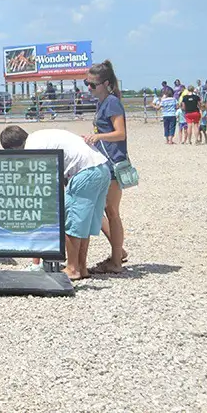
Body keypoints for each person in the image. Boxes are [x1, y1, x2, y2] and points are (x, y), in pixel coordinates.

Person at [0, 126, 111, 281]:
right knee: (83, 224)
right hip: (101, 169)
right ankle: (81, 267)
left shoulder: (32, 148)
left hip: (84, 172)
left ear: (13, 147)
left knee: (72, 223)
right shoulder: (40, 136)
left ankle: (72, 268)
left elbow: (44, 180)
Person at [83, 60, 129, 274]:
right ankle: (118, 251)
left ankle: (117, 260)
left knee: (111, 212)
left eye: (93, 84)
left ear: (106, 83)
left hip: (112, 164)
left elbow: (120, 133)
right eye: (87, 83)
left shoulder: (111, 102)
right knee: (102, 209)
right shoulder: (102, 102)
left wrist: (97, 136)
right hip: (104, 163)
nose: (89, 88)